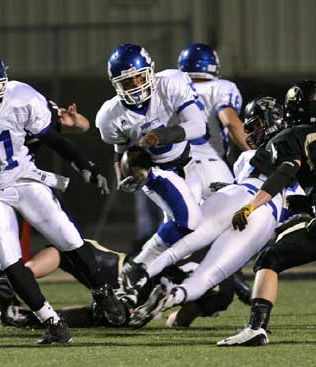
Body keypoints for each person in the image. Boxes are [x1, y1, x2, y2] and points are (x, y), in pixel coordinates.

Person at [0, 49, 125, 344]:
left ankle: (103, 294)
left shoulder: (21, 96)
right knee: (7, 259)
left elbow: (52, 138)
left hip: (25, 179)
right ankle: (53, 323)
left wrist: (85, 165)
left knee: (69, 238)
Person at [126, 96, 304, 329]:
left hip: (235, 193)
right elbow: (292, 206)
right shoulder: (298, 160)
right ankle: (175, 296)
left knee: (180, 247)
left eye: (254, 126)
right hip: (265, 215)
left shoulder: (246, 157)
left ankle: (134, 284)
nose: (250, 133)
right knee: (209, 275)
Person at [95, 44, 207, 301]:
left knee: (185, 229)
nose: (135, 84)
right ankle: (140, 270)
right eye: (127, 80)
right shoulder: (110, 116)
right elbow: (121, 152)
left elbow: (197, 125)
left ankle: (144, 277)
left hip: (187, 164)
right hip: (154, 170)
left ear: (150, 71)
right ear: (115, 83)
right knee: (189, 218)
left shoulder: (170, 83)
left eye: (138, 76)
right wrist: (122, 174)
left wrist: (163, 135)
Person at [217, 80, 316, 346]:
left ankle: (255, 328)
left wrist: (251, 205)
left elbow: (284, 172)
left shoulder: (295, 135)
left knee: (269, 260)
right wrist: (301, 205)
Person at [177, 43, 249, 199]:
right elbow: (229, 121)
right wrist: (254, 152)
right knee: (230, 218)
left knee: (181, 220)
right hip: (212, 167)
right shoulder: (221, 87)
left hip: (179, 168)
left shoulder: (173, 89)